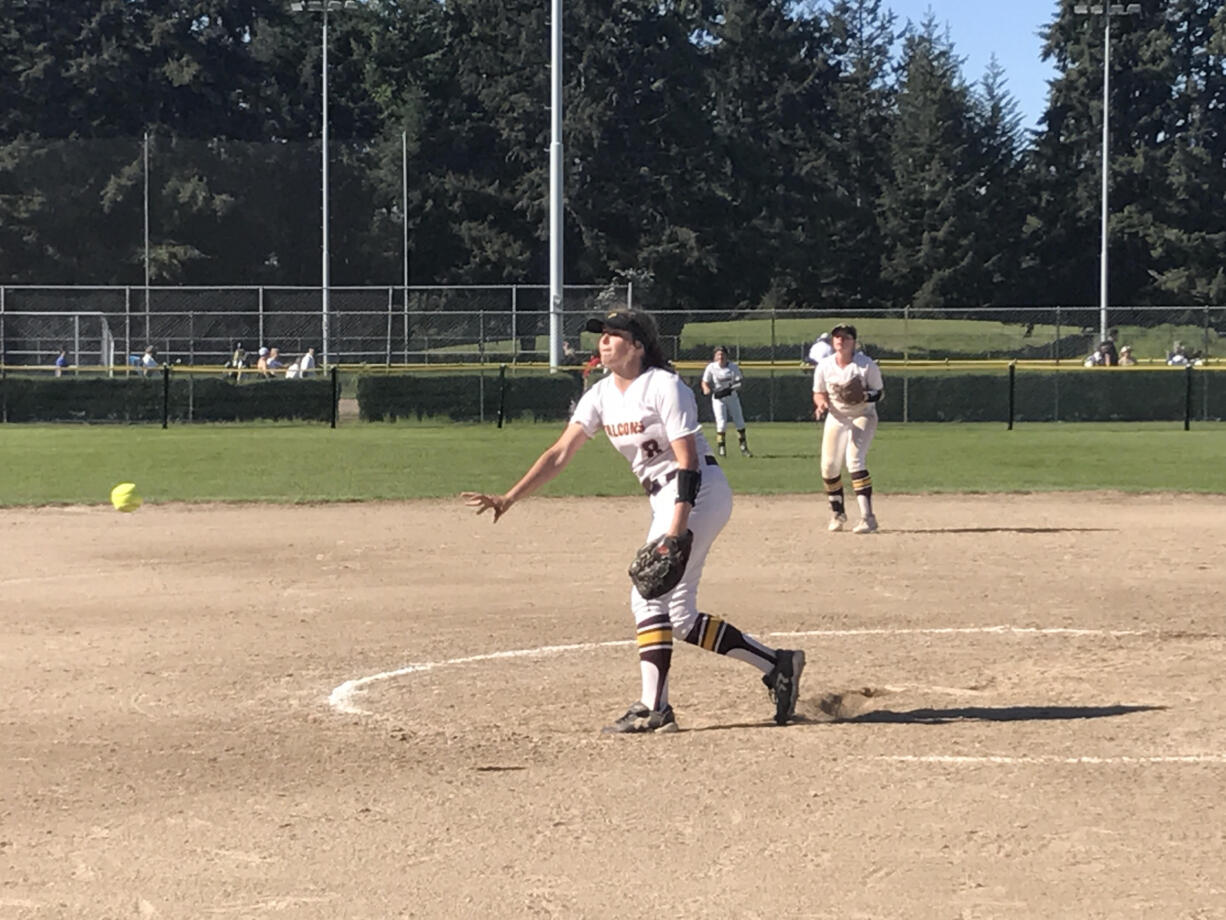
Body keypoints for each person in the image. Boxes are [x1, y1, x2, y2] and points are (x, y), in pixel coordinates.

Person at [462, 309, 805, 734]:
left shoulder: (663, 386)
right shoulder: (600, 395)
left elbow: (688, 462)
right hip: (667, 497)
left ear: (638, 345)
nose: (603, 342)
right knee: (677, 616)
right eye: (601, 336)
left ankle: (653, 708)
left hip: (695, 491)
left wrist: (676, 530)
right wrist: (509, 497)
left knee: (647, 598)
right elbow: (559, 453)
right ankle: (778, 664)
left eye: (613, 335)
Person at [812, 323, 885, 534]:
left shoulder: (866, 365)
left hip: (863, 415)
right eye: (837, 337)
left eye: (845, 337)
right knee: (829, 466)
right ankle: (838, 514)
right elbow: (818, 392)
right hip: (836, 417)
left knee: (854, 459)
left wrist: (864, 396)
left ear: (854, 342)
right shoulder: (824, 366)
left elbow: (879, 393)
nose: (840, 340)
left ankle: (868, 518)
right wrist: (821, 404)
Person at [700, 345, 752, 458]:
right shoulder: (711, 367)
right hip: (718, 399)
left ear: (726, 356)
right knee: (721, 423)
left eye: (722, 354)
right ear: (715, 356)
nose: (720, 357)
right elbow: (704, 381)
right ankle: (721, 448)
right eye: (718, 354)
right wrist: (706, 388)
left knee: (739, 422)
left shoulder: (733, 367)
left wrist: (729, 389)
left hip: (731, 397)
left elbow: (740, 383)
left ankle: (744, 448)